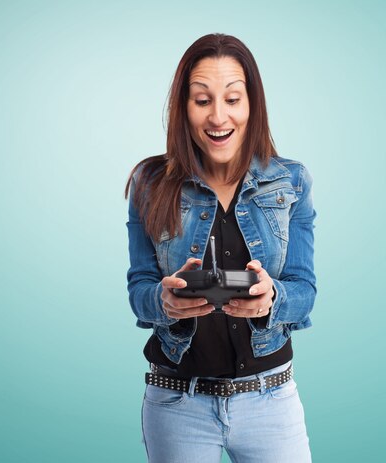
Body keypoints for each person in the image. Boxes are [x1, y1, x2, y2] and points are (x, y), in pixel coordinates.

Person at [124, 33, 316, 463]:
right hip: (177, 404)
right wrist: (165, 300)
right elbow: (139, 291)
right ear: (183, 108)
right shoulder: (148, 184)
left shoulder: (292, 181)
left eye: (232, 98)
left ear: (251, 104)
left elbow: (304, 291)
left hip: (271, 400)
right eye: (201, 99)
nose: (218, 116)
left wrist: (273, 299)